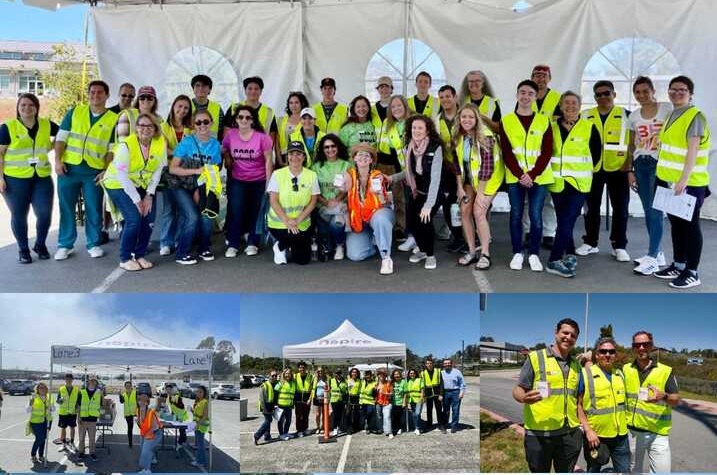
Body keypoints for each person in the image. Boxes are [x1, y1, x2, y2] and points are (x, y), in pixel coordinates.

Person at [653, 75, 711, 289]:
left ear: (690, 94)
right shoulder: (671, 115)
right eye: (673, 89)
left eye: (682, 90)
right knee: (676, 225)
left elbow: (692, 151)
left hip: (689, 183)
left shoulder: (695, 116)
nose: (677, 93)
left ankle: (692, 271)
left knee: (690, 226)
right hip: (668, 180)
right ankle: (678, 264)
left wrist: (683, 180)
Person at [54, 80, 118, 261]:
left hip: (94, 171)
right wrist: (58, 161)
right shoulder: (75, 112)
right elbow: (61, 138)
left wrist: (106, 170)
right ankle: (65, 245)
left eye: (99, 92)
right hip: (69, 169)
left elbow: (112, 149)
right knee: (66, 207)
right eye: (92, 92)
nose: (95, 95)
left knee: (94, 208)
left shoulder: (113, 119)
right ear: (88, 94)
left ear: (106, 95)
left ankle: (94, 243)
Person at [512, 318, 582, 473]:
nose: (568, 338)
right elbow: (518, 389)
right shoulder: (536, 357)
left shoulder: (576, 365)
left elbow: (577, 399)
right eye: (565, 333)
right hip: (539, 434)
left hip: (569, 434)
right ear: (556, 333)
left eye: (573, 336)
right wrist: (523, 398)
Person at [545, 91, 601, 278]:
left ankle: (553, 260)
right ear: (560, 106)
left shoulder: (589, 127)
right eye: (566, 103)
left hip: (579, 182)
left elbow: (596, 154)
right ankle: (569, 253)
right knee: (563, 220)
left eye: (574, 103)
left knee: (568, 219)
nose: (570, 106)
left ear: (580, 106)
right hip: (557, 182)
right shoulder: (551, 127)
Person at [501, 79, 554, 272]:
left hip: (539, 178)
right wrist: (520, 174)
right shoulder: (506, 121)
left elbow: (547, 151)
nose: (526, 96)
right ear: (517, 95)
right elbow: (506, 152)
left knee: (535, 215)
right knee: (515, 215)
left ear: (536, 97)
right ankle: (517, 252)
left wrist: (532, 174)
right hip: (515, 177)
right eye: (522, 92)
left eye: (530, 93)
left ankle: (533, 254)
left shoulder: (544, 120)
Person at [576, 80, 631, 262]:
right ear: (594, 97)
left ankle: (619, 245)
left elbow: (633, 143)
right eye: (598, 95)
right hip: (593, 169)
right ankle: (591, 242)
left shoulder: (626, 115)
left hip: (619, 168)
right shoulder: (584, 116)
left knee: (620, 209)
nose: (602, 97)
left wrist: (629, 166)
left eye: (606, 93)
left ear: (614, 94)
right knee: (591, 208)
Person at [103, 113, 166, 271]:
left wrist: (149, 196)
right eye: (142, 125)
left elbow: (158, 171)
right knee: (134, 218)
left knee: (149, 219)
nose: (145, 129)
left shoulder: (160, 143)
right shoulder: (126, 145)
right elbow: (122, 175)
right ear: (136, 128)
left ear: (155, 128)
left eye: (149, 126)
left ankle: (139, 255)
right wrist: (137, 200)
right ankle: (125, 258)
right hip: (117, 183)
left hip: (140, 184)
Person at [0, 93, 57, 263]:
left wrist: (50, 147)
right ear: (18, 108)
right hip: (15, 179)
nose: (27, 108)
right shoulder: (8, 128)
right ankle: (23, 250)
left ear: (37, 107)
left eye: (31, 105)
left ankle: (40, 244)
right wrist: (0, 178)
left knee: (45, 213)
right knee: (19, 214)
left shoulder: (46, 124)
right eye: (23, 105)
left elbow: (63, 135)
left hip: (41, 177)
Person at [627, 76, 671, 275]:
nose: (642, 95)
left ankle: (652, 257)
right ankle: (657, 252)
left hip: (659, 164)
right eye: (637, 92)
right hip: (640, 163)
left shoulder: (666, 109)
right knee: (647, 209)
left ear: (653, 90)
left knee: (656, 210)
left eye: (645, 91)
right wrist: (630, 170)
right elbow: (631, 145)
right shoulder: (634, 116)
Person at [389, 115, 446, 269]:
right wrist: (391, 178)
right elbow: (408, 172)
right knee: (412, 223)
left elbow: (435, 179)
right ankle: (421, 250)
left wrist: (429, 205)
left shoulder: (436, 147)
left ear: (427, 130)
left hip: (434, 193)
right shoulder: (410, 147)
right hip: (417, 192)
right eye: (414, 128)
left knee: (424, 221)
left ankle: (430, 255)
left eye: (420, 128)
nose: (416, 131)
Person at [168, 109, 223, 265]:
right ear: (193, 125)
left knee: (206, 216)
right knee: (192, 216)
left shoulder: (215, 145)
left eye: (206, 121)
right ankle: (182, 253)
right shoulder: (186, 142)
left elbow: (214, 170)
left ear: (211, 123)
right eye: (198, 122)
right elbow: (173, 168)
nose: (202, 125)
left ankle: (203, 247)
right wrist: (196, 171)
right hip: (181, 185)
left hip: (201, 185)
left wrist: (200, 191)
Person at [453, 103, 502, 270]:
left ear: (477, 119)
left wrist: (480, 194)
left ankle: (485, 254)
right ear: (459, 119)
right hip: (469, 180)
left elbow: (487, 168)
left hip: (488, 180)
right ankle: (472, 251)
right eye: (463, 117)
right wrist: (459, 187)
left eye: (471, 117)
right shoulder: (458, 136)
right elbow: (456, 164)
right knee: (464, 210)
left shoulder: (486, 136)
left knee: (478, 211)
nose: (467, 120)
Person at [623, 330, 679, 473]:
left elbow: (675, 400)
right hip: (633, 434)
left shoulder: (666, 371)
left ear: (651, 346)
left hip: (658, 434)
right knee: (633, 471)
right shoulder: (626, 369)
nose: (641, 348)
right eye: (637, 345)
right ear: (633, 347)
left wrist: (664, 396)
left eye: (645, 344)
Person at [221, 104, 273, 258]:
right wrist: (228, 157)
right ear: (236, 119)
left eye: (247, 117)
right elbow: (223, 149)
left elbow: (269, 161)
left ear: (252, 120)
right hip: (238, 180)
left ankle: (252, 242)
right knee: (236, 211)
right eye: (240, 117)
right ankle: (233, 243)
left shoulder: (262, 138)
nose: (244, 120)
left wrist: (269, 184)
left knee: (255, 212)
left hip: (259, 180)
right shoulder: (231, 135)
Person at [577, 337, 630, 473]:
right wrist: (588, 430)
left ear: (615, 355)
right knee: (593, 470)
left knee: (624, 471)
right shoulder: (585, 374)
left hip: (621, 437)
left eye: (611, 351)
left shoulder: (620, 375)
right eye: (603, 351)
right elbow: (578, 406)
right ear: (597, 355)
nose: (607, 354)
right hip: (596, 438)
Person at [342, 143, 395, 274]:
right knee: (356, 255)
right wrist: (341, 186)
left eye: (367, 155)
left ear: (371, 160)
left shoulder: (378, 175)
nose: (363, 157)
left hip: (379, 214)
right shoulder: (349, 174)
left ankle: (386, 258)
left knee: (381, 219)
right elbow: (345, 187)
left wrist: (380, 194)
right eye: (359, 154)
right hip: (359, 220)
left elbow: (385, 201)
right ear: (354, 158)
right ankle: (375, 241)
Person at [267, 141, 319, 265]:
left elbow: (313, 201)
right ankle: (279, 246)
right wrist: (288, 221)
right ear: (287, 156)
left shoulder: (311, 175)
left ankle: (289, 245)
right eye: (291, 154)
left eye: (298, 154)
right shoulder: (277, 174)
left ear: (304, 157)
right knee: (295, 236)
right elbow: (273, 200)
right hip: (280, 223)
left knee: (302, 260)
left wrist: (298, 220)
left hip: (301, 223)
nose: (294, 157)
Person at [525, 64, 560, 249]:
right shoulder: (526, 96)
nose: (540, 78)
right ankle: (529, 231)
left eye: (544, 75)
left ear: (549, 78)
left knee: (547, 197)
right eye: (537, 75)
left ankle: (548, 233)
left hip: (549, 153)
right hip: (527, 154)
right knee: (527, 199)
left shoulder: (556, 98)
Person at [158, 94, 193, 256]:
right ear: (173, 107)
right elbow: (162, 150)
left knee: (183, 209)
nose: (182, 110)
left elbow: (193, 151)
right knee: (169, 209)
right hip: (169, 173)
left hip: (186, 174)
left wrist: (176, 154)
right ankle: (166, 242)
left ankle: (179, 239)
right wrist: (180, 154)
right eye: (179, 106)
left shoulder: (191, 129)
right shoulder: (162, 127)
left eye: (186, 108)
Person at [378, 95, 413, 245]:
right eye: (393, 107)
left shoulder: (414, 121)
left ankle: (417, 236)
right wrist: (400, 174)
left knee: (416, 202)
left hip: (417, 168)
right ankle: (409, 233)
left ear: (405, 106)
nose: (396, 109)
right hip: (401, 169)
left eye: (399, 106)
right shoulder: (389, 124)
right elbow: (390, 150)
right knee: (404, 201)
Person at [436, 84, 467, 252]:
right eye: (441, 97)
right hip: (447, 168)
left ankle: (472, 236)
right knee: (449, 203)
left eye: (448, 96)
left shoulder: (465, 116)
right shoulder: (437, 119)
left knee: (467, 202)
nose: (445, 100)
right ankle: (458, 237)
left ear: (455, 97)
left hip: (466, 167)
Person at [312, 134, 350, 261]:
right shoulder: (316, 167)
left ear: (338, 147)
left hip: (341, 206)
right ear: (322, 150)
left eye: (333, 146)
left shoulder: (346, 165)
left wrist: (337, 199)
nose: (330, 149)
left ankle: (340, 245)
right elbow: (313, 189)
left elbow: (349, 187)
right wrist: (325, 201)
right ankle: (330, 243)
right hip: (321, 207)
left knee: (336, 223)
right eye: (326, 147)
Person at [226, 76, 278, 146]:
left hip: (259, 154)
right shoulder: (234, 108)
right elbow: (226, 132)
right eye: (250, 88)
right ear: (245, 90)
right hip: (237, 152)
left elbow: (272, 136)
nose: (253, 91)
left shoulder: (269, 112)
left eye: (256, 89)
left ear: (261, 91)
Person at [278, 92, 310, 164]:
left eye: (296, 102)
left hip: (300, 157)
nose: (293, 105)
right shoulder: (282, 120)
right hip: (284, 156)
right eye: (291, 103)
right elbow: (277, 142)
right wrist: (279, 160)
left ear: (302, 104)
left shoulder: (307, 121)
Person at [77, 375, 102, 461]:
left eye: (94, 381)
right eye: (91, 380)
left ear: (96, 383)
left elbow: (101, 405)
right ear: (88, 382)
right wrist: (78, 417)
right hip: (82, 419)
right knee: (81, 438)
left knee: (92, 438)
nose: (92, 382)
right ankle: (81, 452)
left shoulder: (99, 393)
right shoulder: (81, 392)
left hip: (93, 419)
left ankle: (92, 453)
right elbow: (79, 406)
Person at [136, 392, 162, 474]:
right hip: (145, 433)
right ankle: (152, 458)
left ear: (147, 402)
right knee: (142, 447)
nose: (142, 402)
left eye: (144, 401)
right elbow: (141, 424)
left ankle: (146, 470)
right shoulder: (138, 410)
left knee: (145, 451)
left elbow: (152, 428)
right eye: (140, 400)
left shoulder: (150, 412)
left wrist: (146, 437)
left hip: (154, 433)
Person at [190, 74, 224, 139]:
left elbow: (221, 131)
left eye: (204, 86)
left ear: (210, 90)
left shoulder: (217, 108)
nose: (200, 88)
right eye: (197, 85)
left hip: (211, 147)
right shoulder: (185, 106)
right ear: (193, 89)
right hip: (189, 147)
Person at [27, 382, 54, 464]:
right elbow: (27, 410)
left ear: (46, 389)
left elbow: (53, 409)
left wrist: (50, 407)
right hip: (36, 421)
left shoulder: (49, 397)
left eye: (44, 387)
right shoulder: (33, 397)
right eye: (40, 388)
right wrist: (30, 404)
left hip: (47, 420)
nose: (42, 389)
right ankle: (33, 455)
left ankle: (41, 455)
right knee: (40, 438)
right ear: (37, 389)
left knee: (44, 439)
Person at [54, 373, 79, 450]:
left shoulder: (76, 389)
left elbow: (78, 401)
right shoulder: (61, 389)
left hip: (72, 412)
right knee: (63, 428)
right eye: (67, 379)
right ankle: (64, 444)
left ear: (72, 380)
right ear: (65, 380)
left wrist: (77, 409)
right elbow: (57, 401)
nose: (68, 380)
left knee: (72, 428)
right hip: (63, 412)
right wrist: (60, 401)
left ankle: (72, 443)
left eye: (70, 379)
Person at [441, 358, 466, 434]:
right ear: (443, 365)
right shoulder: (441, 373)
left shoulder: (457, 372)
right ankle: (445, 424)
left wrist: (461, 392)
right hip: (445, 392)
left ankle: (454, 426)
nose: (447, 364)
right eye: (445, 363)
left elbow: (462, 383)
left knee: (455, 410)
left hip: (455, 392)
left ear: (451, 364)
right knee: (445, 410)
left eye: (448, 363)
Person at [420, 357, 444, 432]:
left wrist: (441, 394)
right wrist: (423, 396)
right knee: (429, 410)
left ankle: (440, 424)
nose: (429, 364)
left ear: (432, 364)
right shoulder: (422, 373)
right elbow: (421, 386)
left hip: (437, 394)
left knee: (439, 410)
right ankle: (429, 424)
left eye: (430, 363)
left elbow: (441, 383)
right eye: (428, 363)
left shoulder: (438, 371)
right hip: (428, 394)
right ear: (425, 364)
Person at [254, 371, 277, 444]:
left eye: (275, 376)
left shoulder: (274, 384)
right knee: (268, 420)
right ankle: (257, 435)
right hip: (266, 406)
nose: (274, 377)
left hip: (271, 405)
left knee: (268, 420)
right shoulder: (265, 385)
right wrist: (264, 408)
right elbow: (261, 398)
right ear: (269, 376)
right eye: (272, 375)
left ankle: (267, 436)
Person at [274, 369, 296, 441]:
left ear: (291, 375)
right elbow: (275, 393)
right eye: (286, 373)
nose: (287, 375)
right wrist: (275, 404)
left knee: (288, 421)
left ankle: (286, 433)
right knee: (281, 421)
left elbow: (292, 395)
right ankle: (281, 435)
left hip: (289, 406)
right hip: (281, 405)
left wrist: (292, 404)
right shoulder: (281, 383)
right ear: (284, 374)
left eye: (289, 373)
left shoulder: (293, 383)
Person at [293, 361, 314, 436]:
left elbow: (312, 389)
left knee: (306, 414)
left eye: (303, 367)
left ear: (306, 368)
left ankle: (305, 428)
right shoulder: (295, 376)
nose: (302, 369)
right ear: (298, 368)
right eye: (300, 367)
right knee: (298, 415)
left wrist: (310, 399)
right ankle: (299, 430)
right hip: (298, 397)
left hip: (306, 397)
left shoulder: (310, 376)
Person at [191, 385, 210, 467]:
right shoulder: (198, 401)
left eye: (200, 392)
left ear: (204, 393)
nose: (198, 393)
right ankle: (199, 459)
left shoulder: (205, 402)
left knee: (200, 444)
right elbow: (197, 414)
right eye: (197, 391)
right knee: (199, 444)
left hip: (201, 425)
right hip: (197, 424)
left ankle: (201, 462)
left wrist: (197, 425)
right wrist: (191, 410)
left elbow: (205, 416)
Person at [166, 385, 188, 452]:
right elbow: (172, 407)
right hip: (176, 416)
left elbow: (182, 407)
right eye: (167, 389)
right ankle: (183, 441)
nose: (168, 391)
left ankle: (180, 444)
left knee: (182, 430)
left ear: (172, 390)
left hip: (181, 416)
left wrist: (179, 416)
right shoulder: (169, 397)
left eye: (169, 389)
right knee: (181, 430)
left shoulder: (176, 397)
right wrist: (172, 414)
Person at [119, 381, 138, 448]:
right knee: (130, 428)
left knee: (141, 427)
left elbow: (138, 402)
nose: (128, 386)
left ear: (131, 386)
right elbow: (121, 402)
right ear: (125, 386)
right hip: (127, 413)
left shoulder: (135, 392)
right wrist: (120, 395)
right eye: (126, 385)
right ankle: (130, 442)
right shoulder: (124, 394)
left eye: (129, 385)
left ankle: (144, 440)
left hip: (135, 413)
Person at [405, 369, 424, 435]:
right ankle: (416, 427)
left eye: (413, 373)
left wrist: (421, 398)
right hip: (411, 399)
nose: (412, 374)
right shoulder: (408, 381)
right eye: (410, 373)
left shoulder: (419, 380)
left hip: (418, 399)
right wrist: (406, 401)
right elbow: (407, 392)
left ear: (415, 374)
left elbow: (422, 389)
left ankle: (418, 428)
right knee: (413, 414)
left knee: (417, 413)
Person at [375, 370, 393, 438]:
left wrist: (387, 394)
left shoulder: (389, 383)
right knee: (379, 417)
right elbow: (374, 394)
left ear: (385, 376)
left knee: (387, 416)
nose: (381, 376)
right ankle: (381, 429)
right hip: (378, 402)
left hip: (387, 402)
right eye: (380, 374)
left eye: (383, 374)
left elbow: (392, 393)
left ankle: (389, 432)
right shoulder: (376, 384)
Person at [329, 370, 347, 436]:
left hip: (341, 400)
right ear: (335, 374)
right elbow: (329, 389)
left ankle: (338, 427)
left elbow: (346, 391)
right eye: (337, 373)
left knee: (340, 415)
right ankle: (334, 428)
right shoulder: (331, 380)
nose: (338, 375)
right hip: (334, 400)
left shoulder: (345, 381)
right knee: (335, 414)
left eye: (339, 373)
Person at [390, 369, 407, 436]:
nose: (396, 375)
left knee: (400, 417)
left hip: (401, 402)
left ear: (400, 375)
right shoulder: (392, 382)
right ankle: (395, 428)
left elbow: (405, 393)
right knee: (394, 416)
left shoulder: (403, 382)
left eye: (397, 374)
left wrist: (404, 402)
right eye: (395, 374)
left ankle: (400, 428)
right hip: (393, 402)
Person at [313, 367, 329, 433]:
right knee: (317, 414)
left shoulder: (327, 379)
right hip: (317, 399)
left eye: (321, 371)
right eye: (319, 371)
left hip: (324, 399)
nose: (320, 372)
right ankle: (317, 427)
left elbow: (328, 388)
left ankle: (323, 427)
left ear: (323, 372)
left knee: (324, 414)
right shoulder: (315, 379)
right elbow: (312, 388)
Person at [346, 367, 362, 434]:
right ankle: (349, 428)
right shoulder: (348, 380)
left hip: (357, 397)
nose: (354, 373)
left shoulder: (360, 381)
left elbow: (361, 390)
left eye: (355, 372)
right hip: (349, 397)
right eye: (353, 372)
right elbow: (345, 389)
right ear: (351, 373)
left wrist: (360, 400)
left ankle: (355, 427)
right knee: (348, 413)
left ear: (357, 373)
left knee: (356, 413)